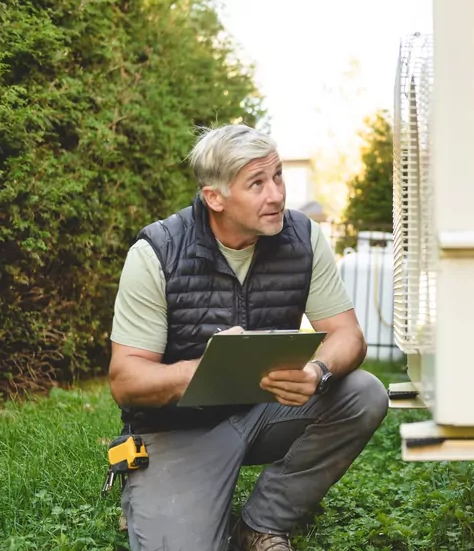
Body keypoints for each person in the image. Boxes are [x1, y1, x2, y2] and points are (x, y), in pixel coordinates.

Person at [107, 123, 390, 551]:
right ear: (214, 197)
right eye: (256, 183)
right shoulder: (157, 252)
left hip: (265, 412)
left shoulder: (304, 238)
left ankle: (261, 523)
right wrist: (198, 372)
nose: (276, 194)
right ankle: (156, 499)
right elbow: (125, 379)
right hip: (178, 430)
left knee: (364, 393)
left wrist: (317, 371)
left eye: (277, 176)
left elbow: (347, 334)